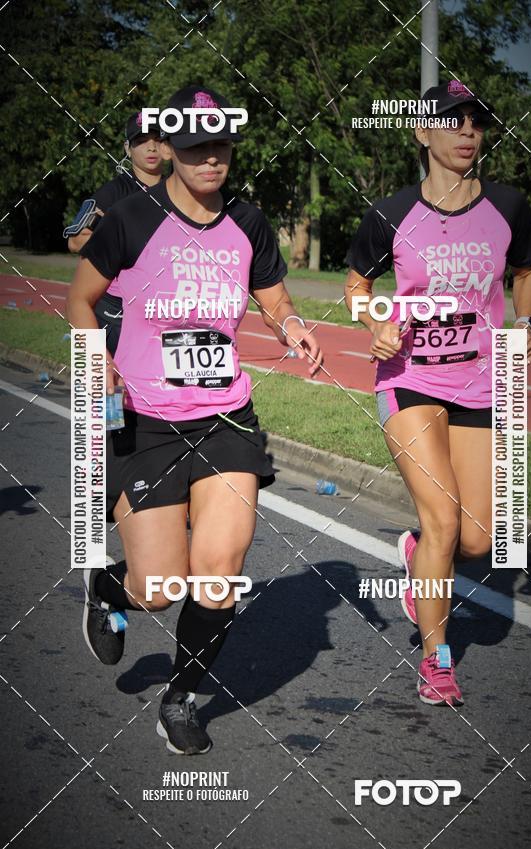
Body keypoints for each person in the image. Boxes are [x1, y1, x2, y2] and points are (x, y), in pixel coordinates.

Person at [66, 84, 323, 754]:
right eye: (196, 147)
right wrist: (98, 359)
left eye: (221, 145)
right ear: (172, 151)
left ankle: (180, 698)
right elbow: (80, 300)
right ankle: (107, 587)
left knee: (219, 569)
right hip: (146, 421)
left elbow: (271, 293)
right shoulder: (131, 218)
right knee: (159, 587)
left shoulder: (247, 219)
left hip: (225, 417)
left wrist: (291, 322)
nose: (212, 159)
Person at [345, 80, 531, 707]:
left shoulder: (508, 206)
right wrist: (376, 320)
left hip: (483, 381)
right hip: (409, 379)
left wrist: (526, 321)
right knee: (443, 522)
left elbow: (529, 272)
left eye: (477, 124)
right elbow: (355, 285)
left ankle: (415, 557)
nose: (468, 133)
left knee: (481, 541)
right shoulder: (391, 213)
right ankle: (438, 661)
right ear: (421, 132)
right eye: (452, 122)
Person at [64, 112, 164, 354]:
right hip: (107, 306)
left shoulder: (181, 192)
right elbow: (75, 241)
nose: (151, 147)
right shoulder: (112, 193)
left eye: (158, 139)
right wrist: (123, 243)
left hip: (160, 308)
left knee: (151, 387)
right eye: (141, 141)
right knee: (92, 382)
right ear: (127, 148)